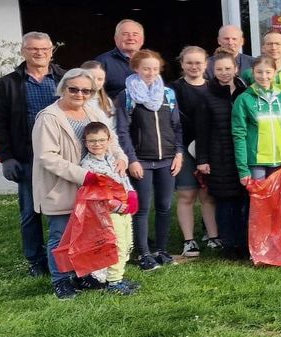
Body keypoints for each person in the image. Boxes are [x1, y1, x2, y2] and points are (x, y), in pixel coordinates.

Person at [32, 68, 125, 299]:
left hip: (92, 188)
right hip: (62, 186)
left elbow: (110, 139)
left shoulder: (92, 112)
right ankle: (61, 281)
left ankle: (83, 275)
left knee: (86, 234)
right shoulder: (49, 117)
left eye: (86, 90)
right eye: (73, 89)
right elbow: (47, 157)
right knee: (61, 235)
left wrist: (120, 157)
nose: (79, 94)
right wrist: (84, 176)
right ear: (63, 88)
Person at [0, 31, 65, 276]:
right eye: (33, 48)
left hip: (63, 157)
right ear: (23, 51)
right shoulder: (8, 83)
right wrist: (7, 157)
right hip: (27, 157)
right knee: (30, 212)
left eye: (44, 48)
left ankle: (66, 256)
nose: (39, 52)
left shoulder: (64, 78)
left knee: (66, 209)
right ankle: (35, 261)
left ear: (51, 50)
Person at [114, 50, 184, 271]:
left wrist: (179, 153)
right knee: (142, 208)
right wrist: (131, 160)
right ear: (136, 68)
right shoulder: (126, 96)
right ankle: (143, 252)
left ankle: (161, 250)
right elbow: (122, 131)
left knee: (164, 206)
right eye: (146, 68)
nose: (151, 73)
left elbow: (177, 127)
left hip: (168, 160)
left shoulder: (168, 94)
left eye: (155, 68)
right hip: (141, 161)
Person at [169, 46, 221, 257]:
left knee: (208, 195)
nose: (194, 66)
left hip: (208, 148)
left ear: (206, 64)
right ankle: (189, 241)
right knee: (187, 194)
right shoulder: (172, 89)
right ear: (182, 64)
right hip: (182, 147)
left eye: (198, 62)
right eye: (189, 62)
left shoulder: (213, 87)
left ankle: (213, 236)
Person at [196, 51, 249, 258]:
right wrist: (202, 160)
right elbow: (201, 131)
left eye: (228, 68)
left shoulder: (245, 92)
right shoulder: (207, 95)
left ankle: (244, 243)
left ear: (236, 69)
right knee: (226, 202)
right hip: (219, 157)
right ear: (212, 71)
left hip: (243, 155)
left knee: (243, 201)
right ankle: (229, 244)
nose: (224, 73)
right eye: (219, 69)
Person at [79, 121, 139, 295]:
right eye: (92, 141)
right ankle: (114, 282)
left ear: (108, 140)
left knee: (128, 243)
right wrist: (117, 205)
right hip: (109, 213)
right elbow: (96, 193)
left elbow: (123, 178)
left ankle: (119, 276)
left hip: (125, 210)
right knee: (117, 245)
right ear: (85, 142)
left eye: (101, 140)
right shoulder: (87, 166)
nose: (97, 144)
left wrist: (132, 195)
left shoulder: (113, 159)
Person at [232, 55, 281, 186]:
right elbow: (239, 135)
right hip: (255, 161)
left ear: (275, 72)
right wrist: (243, 169)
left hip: (280, 160)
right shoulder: (244, 99)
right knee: (259, 203)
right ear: (252, 72)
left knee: (278, 202)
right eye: (259, 72)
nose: (263, 76)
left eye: (268, 72)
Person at [94, 19, 145, 98]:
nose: (130, 38)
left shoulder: (150, 61)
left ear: (142, 40)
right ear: (116, 39)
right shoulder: (102, 62)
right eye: (125, 34)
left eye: (135, 34)